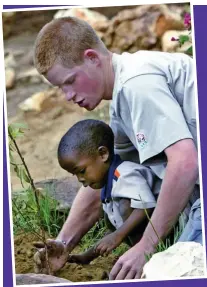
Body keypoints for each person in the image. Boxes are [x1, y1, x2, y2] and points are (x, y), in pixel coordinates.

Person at [33, 16, 201, 280]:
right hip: (196, 193)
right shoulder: (123, 95)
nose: (68, 96)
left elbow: (185, 162)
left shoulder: (137, 83)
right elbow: (107, 173)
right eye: (60, 88)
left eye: (69, 81)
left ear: (92, 58)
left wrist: (147, 246)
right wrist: (63, 243)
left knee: (176, 272)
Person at [57, 119, 162, 264]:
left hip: (165, 229)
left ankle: (146, 258)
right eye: (75, 175)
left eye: (82, 171)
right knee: (112, 216)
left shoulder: (125, 174)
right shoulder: (108, 185)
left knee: (125, 206)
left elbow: (145, 206)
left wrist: (117, 236)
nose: (80, 179)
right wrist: (87, 256)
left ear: (103, 154)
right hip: (146, 227)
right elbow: (117, 225)